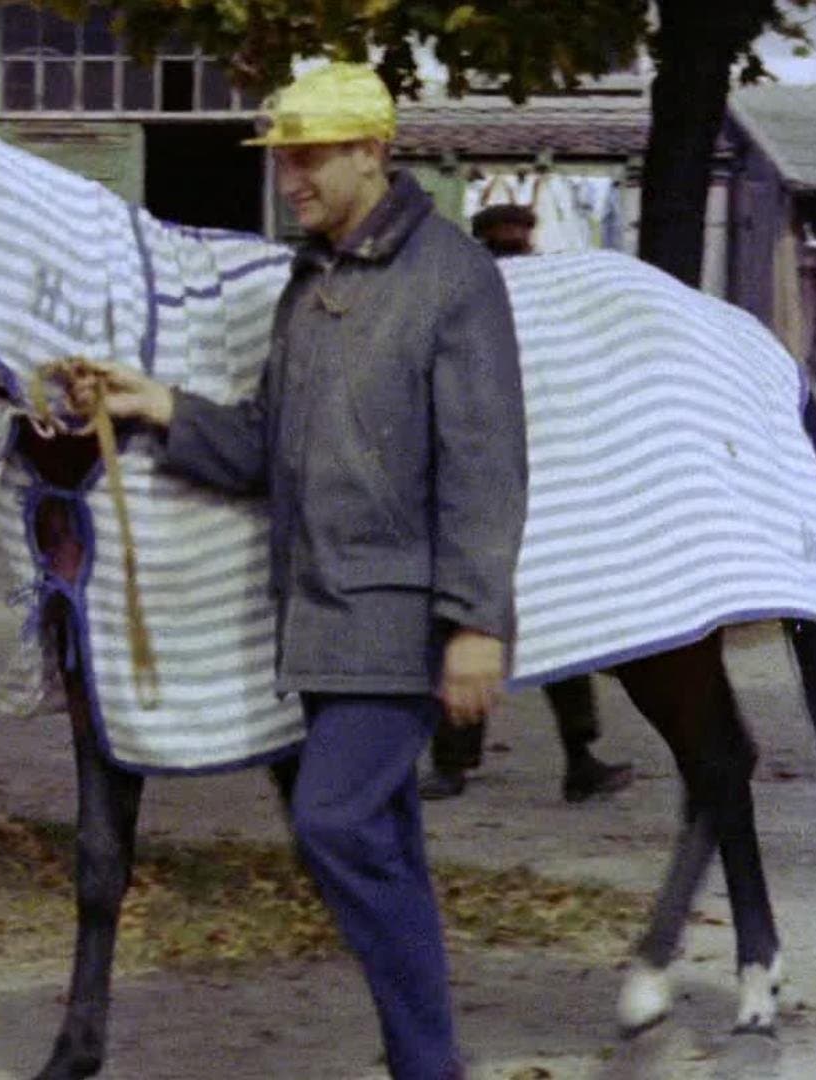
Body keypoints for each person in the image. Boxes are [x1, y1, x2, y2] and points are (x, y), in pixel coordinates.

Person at [70, 63, 525, 1080]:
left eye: (309, 155)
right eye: (282, 157)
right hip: (317, 625)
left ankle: (428, 1063)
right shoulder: (308, 280)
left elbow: (487, 466)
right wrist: (160, 405)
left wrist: (478, 624)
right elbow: (267, 448)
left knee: (330, 818)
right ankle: (428, 1062)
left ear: (376, 152)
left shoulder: (453, 278)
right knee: (387, 844)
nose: (289, 177)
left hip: (400, 622)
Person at [418, 205, 635, 804]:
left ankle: (463, 762)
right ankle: (569, 755)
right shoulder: (519, 301)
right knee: (522, 621)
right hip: (522, 480)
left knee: (479, 617)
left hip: (513, 479)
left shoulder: (462, 293)